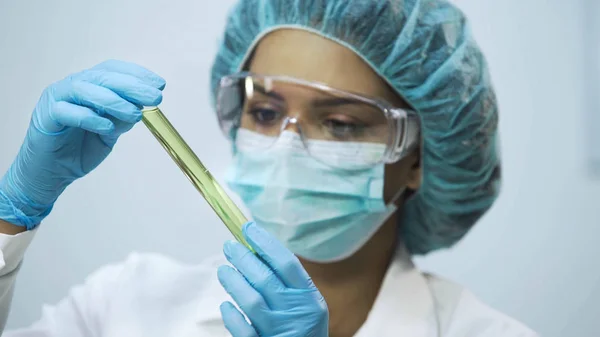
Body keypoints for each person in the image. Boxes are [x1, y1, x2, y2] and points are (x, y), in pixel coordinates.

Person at [0, 0, 538, 336]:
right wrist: (11, 215)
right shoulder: (124, 306)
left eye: (342, 123)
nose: (285, 147)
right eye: (264, 112)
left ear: (419, 157)